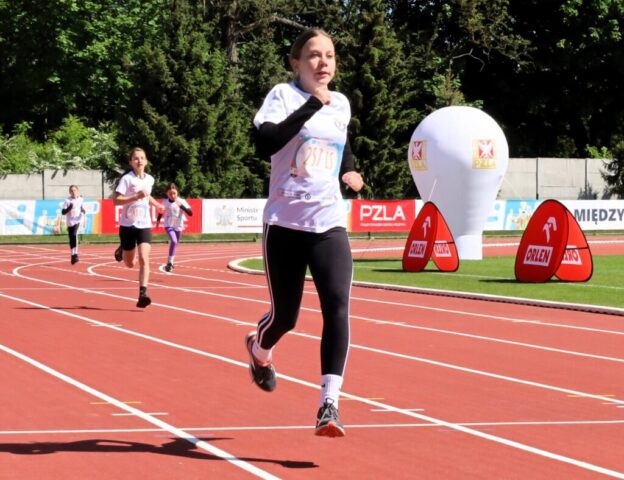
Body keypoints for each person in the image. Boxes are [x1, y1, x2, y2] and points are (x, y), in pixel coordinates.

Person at [245, 28, 364, 438]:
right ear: (296, 62)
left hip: (328, 222)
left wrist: (349, 169)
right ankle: (259, 350)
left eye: (329, 55)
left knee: (337, 306)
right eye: (314, 55)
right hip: (284, 224)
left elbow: (340, 141)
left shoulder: (341, 103)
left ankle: (329, 404)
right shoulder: (283, 95)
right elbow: (266, 142)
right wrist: (312, 104)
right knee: (285, 317)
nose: (323, 62)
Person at [113, 147, 164, 308]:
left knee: (144, 258)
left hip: (144, 225)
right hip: (128, 225)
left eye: (142, 158)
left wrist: (157, 205)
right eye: (136, 158)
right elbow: (116, 200)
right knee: (130, 264)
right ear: (131, 162)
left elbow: (147, 196)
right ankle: (123, 248)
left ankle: (143, 294)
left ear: (146, 161)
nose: (139, 161)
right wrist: (135, 196)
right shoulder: (127, 179)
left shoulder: (150, 179)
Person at [156, 182, 193, 272]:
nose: (172, 195)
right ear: (166, 193)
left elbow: (190, 213)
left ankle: (170, 263)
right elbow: (161, 212)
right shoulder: (165, 202)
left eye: (174, 193)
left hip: (179, 226)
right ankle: (170, 263)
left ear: (177, 192)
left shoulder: (181, 201)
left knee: (175, 244)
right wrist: (158, 221)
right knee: (174, 241)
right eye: (170, 194)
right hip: (169, 225)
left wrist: (181, 206)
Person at [61, 185, 86, 264]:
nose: (73, 192)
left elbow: (82, 208)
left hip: (78, 220)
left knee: (75, 235)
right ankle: (72, 255)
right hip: (70, 221)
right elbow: (63, 212)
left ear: (77, 191)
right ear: (69, 192)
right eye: (71, 191)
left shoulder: (81, 199)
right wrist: (69, 208)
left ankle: (76, 254)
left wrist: (83, 211)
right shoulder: (67, 201)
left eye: (74, 190)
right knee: (71, 237)